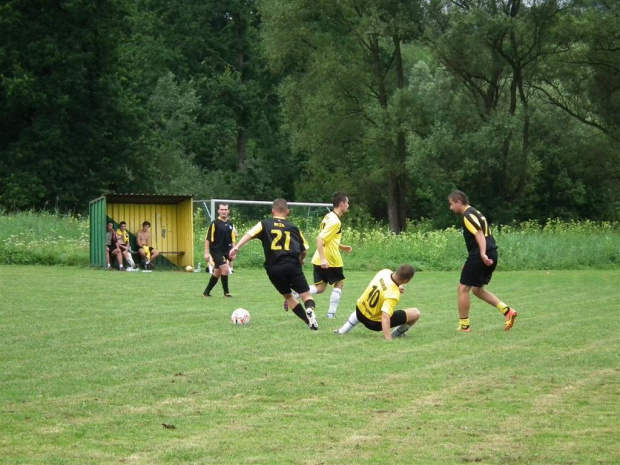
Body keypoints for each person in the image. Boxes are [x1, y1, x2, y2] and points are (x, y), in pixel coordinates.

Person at [229, 199, 319, 330]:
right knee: (306, 295)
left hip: (274, 268)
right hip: (292, 265)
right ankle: (309, 310)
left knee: (288, 296)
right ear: (287, 211)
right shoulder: (293, 227)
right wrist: (301, 259)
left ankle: (308, 320)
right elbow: (304, 249)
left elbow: (250, 233)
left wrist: (237, 246)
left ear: (272, 211)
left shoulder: (264, 224)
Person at [447, 190, 518, 332]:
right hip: (490, 252)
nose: (450, 208)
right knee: (477, 290)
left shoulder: (467, 215)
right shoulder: (475, 212)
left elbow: (479, 233)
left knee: (462, 289)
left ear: (458, 202)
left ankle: (464, 326)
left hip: (482, 254)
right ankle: (507, 311)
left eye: (451, 204)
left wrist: (482, 254)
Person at [334, 265, 421, 340]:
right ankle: (395, 335)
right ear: (406, 281)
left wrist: (398, 285)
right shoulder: (393, 294)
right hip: (373, 323)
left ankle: (342, 330)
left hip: (359, 310)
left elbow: (388, 282)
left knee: (365, 305)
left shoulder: (384, 272)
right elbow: (385, 316)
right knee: (415, 313)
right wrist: (388, 339)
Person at [306, 191, 352, 318]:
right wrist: (323, 259)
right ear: (341, 204)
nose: (348, 205)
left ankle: (298, 293)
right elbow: (320, 239)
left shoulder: (328, 216)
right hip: (330, 258)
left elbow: (328, 239)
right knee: (339, 283)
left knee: (320, 288)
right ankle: (331, 314)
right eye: (347, 202)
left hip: (319, 257)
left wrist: (342, 247)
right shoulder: (335, 221)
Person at [202, 204, 234, 297]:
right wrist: (206, 252)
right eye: (222, 209)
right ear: (218, 211)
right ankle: (226, 292)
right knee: (225, 268)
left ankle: (206, 292)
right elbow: (207, 239)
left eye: (225, 209)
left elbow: (232, 239)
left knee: (217, 272)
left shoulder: (230, 223)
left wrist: (233, 250)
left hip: (226, 250)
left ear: (228, 211)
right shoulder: (214, 223)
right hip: (216, 250)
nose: (224, 211)